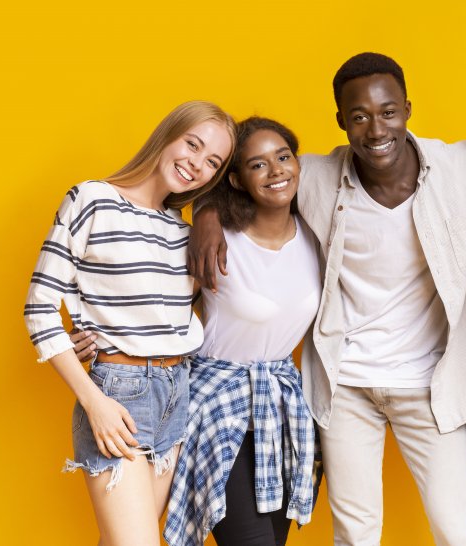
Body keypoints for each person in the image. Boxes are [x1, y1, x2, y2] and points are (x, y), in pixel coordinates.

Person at [188, 52, 466, 546]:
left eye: (388, 111)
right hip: (347, 385)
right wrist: (205, 214)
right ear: (341, 123)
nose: (376, 129)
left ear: (408, 108)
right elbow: (249, 176)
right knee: (355, 533)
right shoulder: (316, 176)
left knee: (458, 531)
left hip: (429, 384)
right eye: (359, 117)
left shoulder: (458, 166)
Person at [23, 101, 236, 546]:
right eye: (192, 144)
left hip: (177, 394)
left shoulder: (183, 230)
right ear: (167, 135)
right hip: (116, 394)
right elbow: (40, 306)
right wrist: (92, 397)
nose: (196, 164)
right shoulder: (92, 200)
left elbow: (168, 318)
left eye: (212, 162)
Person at [160, 117, 321, 546]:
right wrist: (96, 335)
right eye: (257, 165)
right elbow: (156, 305)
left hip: (282, 411)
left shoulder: (317, 234)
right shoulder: (215, 241)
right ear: (235, 178)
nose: (276, 171)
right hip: (218, 406)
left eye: (283, 157)